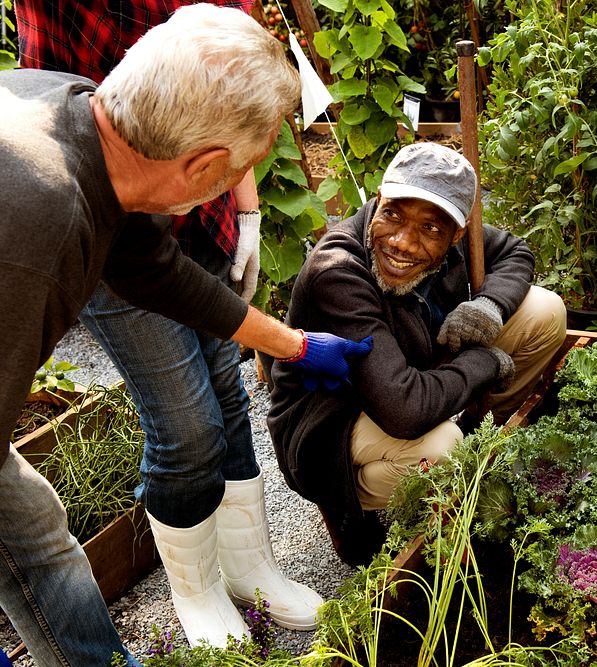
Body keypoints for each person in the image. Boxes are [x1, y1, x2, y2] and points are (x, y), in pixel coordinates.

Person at [0, 5, 373, 664]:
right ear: (204, 168)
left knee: (33, 529)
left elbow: (159, 273)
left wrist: (295, 344)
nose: (236, 192)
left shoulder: (83, 116)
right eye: (239, 174)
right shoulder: (43, 224)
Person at [267, 143, 567, 566]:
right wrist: (481, 365)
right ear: (378, 200)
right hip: (334, 423)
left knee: (545, 310)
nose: (403, 242)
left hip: (414, 376)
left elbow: (515, 251)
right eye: (392, 215)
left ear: (457, 234)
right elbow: (403, 410)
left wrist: (489, 306)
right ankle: (366, 506)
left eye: (430, 229)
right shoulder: (337, 273)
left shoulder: (454, 235)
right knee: (441, 446)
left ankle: (477, 438)